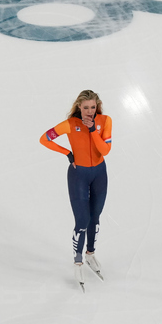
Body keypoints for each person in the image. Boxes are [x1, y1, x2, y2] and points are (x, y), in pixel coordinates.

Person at [39, 89, 113, 291]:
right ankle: (78, 261)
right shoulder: (70, 125)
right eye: (86, 107)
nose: (90, 111)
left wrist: (92, 131)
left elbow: (105, 150)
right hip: (78, 175)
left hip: (99, 174)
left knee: (95, 217)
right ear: (78, 107)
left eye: (93, 107)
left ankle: (90, 254)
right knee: (82, 221)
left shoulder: (105, 121)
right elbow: (44, 138)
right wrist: (67, 153)